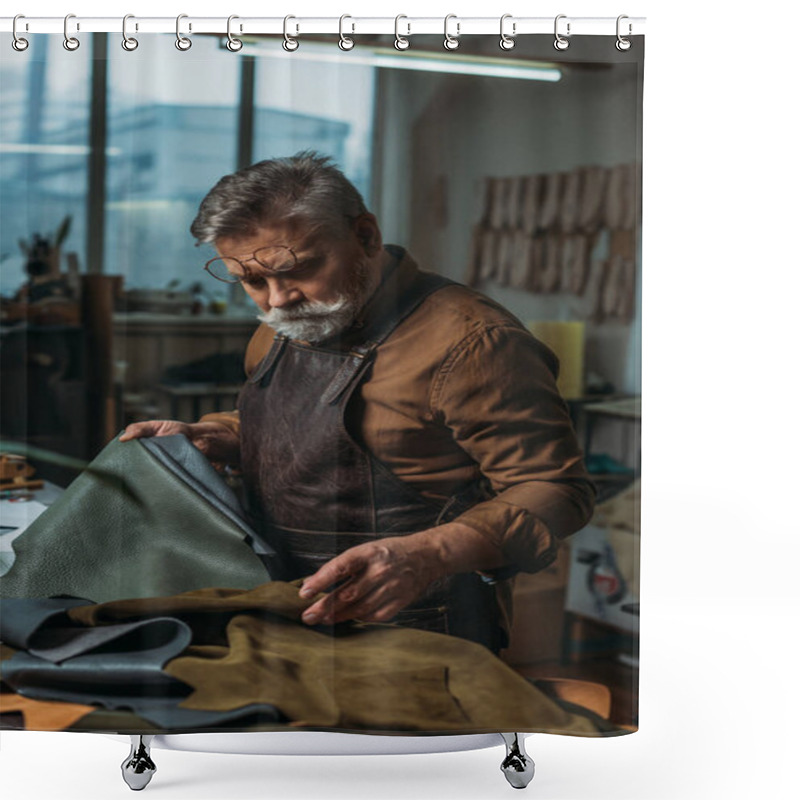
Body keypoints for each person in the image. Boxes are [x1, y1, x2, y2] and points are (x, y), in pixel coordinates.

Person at [120, 151, 595, 653]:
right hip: (281, 605)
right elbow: (298, 429)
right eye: (252, 281)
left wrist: (427, 555)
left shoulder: (475, 343)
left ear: (365, 235)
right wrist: (211, 436)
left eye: (297, 270)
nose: (277, 300)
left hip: (418, 629)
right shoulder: (287, 325)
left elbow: (557, 488)